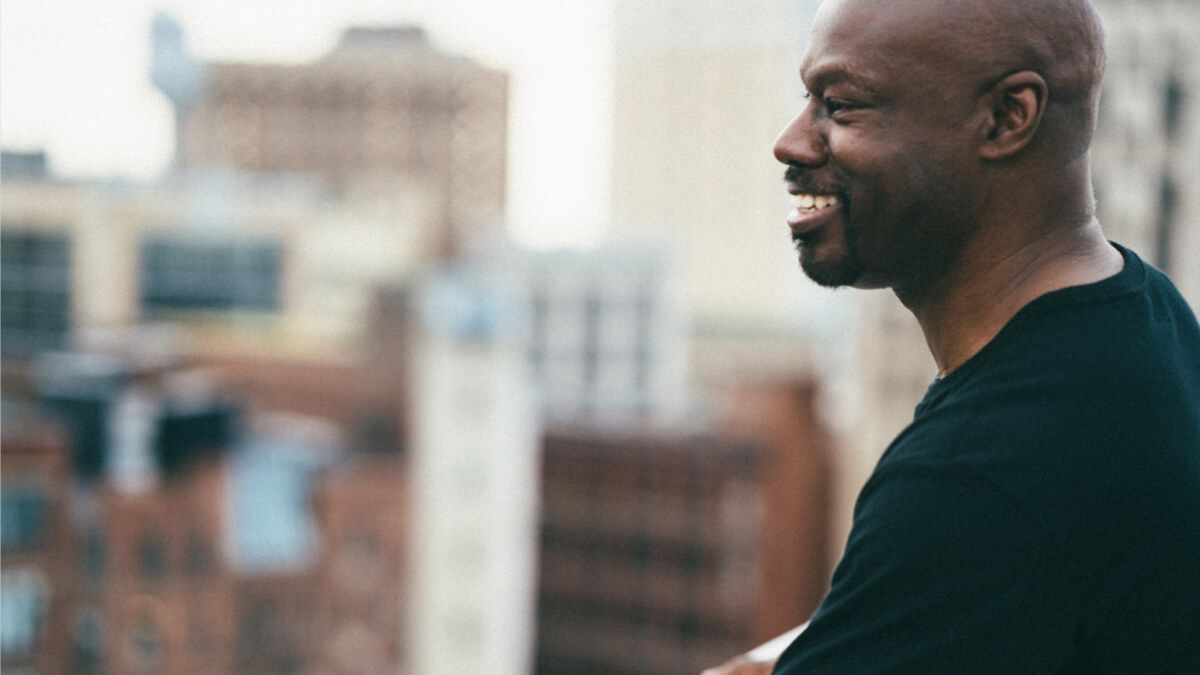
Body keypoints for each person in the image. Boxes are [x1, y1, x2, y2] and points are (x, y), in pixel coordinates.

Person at [704, 0, 1200, 672]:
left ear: (1006, 117)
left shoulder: (982, 472)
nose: (791, 140)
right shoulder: (1147, 314)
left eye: (842, 104)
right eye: (807, 97)